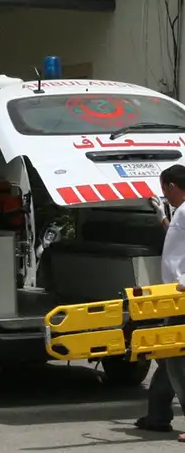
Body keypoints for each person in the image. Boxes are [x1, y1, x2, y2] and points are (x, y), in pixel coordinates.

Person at [134, 165, 185, 440]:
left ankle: (160, 415)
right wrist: (163, 219)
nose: (164, 194)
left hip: (183, 296)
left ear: (172, 187)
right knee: (168, 358)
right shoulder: (180, 212)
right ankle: (157, 416)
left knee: (176, 361)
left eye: (164, 189)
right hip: (175, 298)